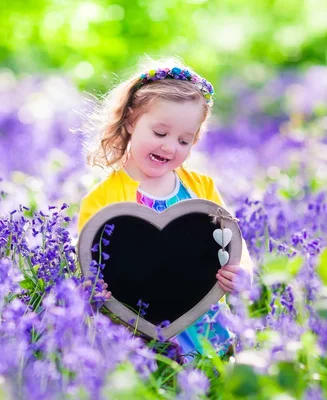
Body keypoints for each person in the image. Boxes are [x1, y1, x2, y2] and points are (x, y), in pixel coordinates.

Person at [77, 56, 254, 362]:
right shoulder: (102, 200)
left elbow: (234, 244)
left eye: (184, 141)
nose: (170, 147)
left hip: (207, 333)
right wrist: (94, 291)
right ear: (131, 120)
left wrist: (244, 274)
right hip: (137, 342)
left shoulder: (202, 189)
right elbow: (88, 264)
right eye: (160, 134)